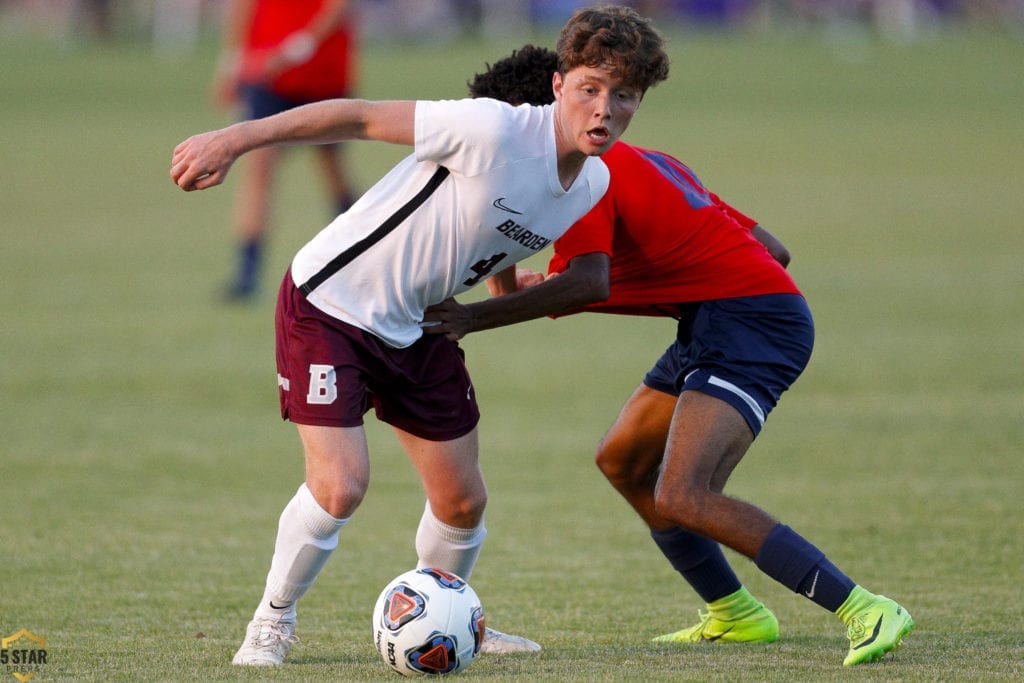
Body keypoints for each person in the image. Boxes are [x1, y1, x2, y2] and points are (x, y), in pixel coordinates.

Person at [170, 5, 669, 667]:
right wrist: (235, 139)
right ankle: (271, 619)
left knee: (463, 500)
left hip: (420, 323)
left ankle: (455, 619)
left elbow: (502, 236)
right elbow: (359, 115)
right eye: (590, 89)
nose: (604, 108)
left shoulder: (592, 182)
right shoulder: (491, 128)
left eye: (623, 95)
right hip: (331, 304)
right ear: (559, 85)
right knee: (342, 484)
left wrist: (505, 296)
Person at [424, 45, 915, 667]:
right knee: (624, 461)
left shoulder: (583, 175)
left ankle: (865, 607)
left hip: (751, 323)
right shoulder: (647, 162)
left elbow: (588, 282)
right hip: (721, 317)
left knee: (686, 494)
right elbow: (774, 249)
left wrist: (471, 318)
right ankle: (736, 615)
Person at [211, 0, 360, 301]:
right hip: (267, 73)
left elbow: (338, 7)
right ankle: (247, 275)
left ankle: (360, 259)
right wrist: (231, 65)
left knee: (333, 171)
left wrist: (296, 49)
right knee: (258, 168)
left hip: (321, 71)